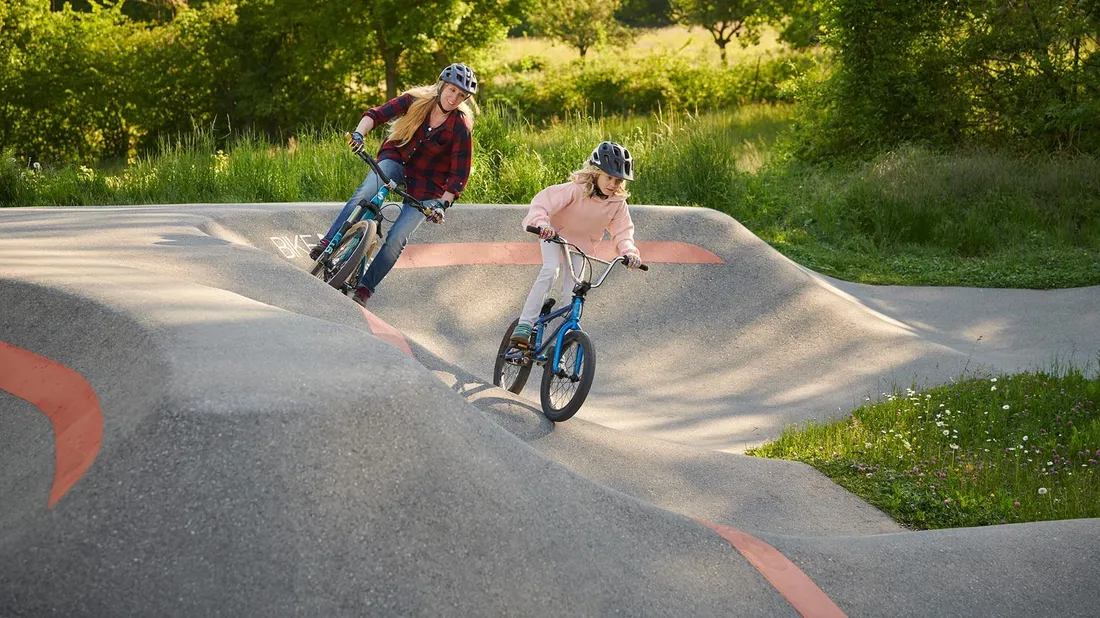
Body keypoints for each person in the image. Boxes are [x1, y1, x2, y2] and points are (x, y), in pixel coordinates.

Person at [311, 62, 478, 306]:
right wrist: (359, 135)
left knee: (398, 237)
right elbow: (376, 115)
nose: (454, 98)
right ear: (442, 85)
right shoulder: (415, 100)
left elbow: (458, 175)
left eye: (461, 95)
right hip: (397, 160)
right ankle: (329, 241)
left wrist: (442, 205)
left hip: (428, 186)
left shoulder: (460, 127)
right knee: (367, 191)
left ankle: (365, 290)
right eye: (452, 90)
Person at [510, 141, 643, 347]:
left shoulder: (617, 203)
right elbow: (542, 202)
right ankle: (525, 324)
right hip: (555, 235)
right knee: (550, 270)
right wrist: (542, 224)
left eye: (618, 181)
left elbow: (623, 231)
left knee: (574, 292)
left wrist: (629, 252)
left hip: (581, 246)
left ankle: (561, 346)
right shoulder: (576, 190)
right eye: (609, 177)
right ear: (595, 172)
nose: (613, 185)